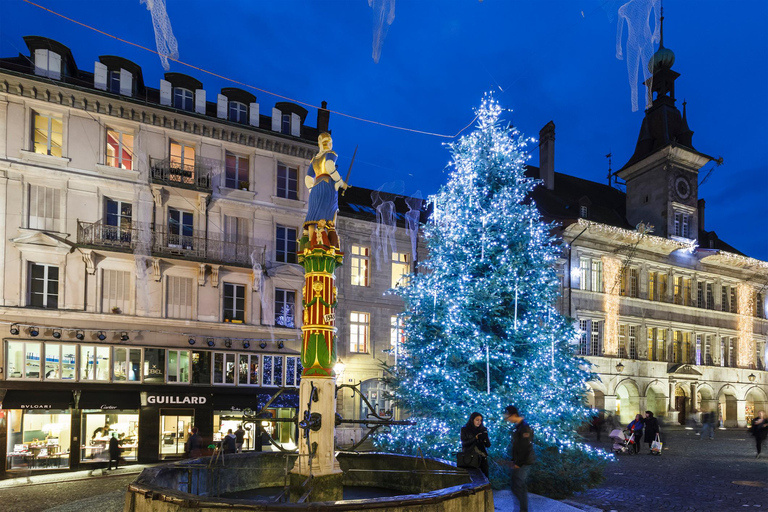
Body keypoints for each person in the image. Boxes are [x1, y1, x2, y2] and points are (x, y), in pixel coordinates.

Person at [303, 133, 348, 245]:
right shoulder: (330, 154)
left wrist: (311, 190)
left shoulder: (314, 160)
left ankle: (311, 242)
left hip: (315, 189)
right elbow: (329, 165)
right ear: (329, 143)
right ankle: (328, 243)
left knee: (313, 217)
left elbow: (308, 178)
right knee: (330, 214)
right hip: (327, 186)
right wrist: (341, 182)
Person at [503, 405, 535, 512]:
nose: (507, 420)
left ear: (514, 415)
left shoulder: (524, 427)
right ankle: (522, 509)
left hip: (524, 462)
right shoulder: (519, 427)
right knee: (518, 486)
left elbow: (525, 448)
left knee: (518, 487)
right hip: (520, 462)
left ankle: (523, 510)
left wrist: (519, 463)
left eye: (508, 417)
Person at [460, 412, 491, 477]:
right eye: (477, 420)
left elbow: (488, 445)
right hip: (470, 457)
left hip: (482, 457)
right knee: (472, 478)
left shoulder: (483, 429)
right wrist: (475, 438)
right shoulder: (465, 429)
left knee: (484, 478)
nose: (479, 422)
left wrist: (485, 437)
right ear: (472, 419)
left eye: (480, 420)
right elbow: (464, 443)